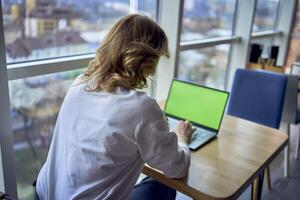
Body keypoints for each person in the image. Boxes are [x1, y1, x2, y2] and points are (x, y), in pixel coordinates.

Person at [35, 14, 193, 200]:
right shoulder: (143, 109)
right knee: (163, 185)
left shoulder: (81, 82)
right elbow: (177, 168)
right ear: (148, 61)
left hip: (45, 193)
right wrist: (181, 139)